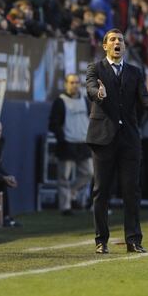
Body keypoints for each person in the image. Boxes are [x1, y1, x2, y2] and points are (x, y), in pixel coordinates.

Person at [85, 28, 148, 254]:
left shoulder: (134, 71)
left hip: (129, 139)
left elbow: (142, 97)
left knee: (131, 191)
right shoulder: (95, 68)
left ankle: (133, 240)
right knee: (101, 191)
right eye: (112, 40)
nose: (117, 43)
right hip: (103, 138)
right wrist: (99, 94)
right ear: (105, 46)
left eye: (120, 40)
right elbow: (91, 88)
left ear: (124, 46)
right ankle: (101, 240)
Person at [48, 74, 93, 215]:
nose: (74, 85)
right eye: (71, 82)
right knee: (64, 177)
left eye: (77, 82)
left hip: (83, 143)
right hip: (67, 143)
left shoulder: (85, 101)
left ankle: (71, 192)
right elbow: (53, 124)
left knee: (89, 173)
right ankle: (65, 207)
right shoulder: (60, 101)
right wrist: (62, 138)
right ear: (66, 84)